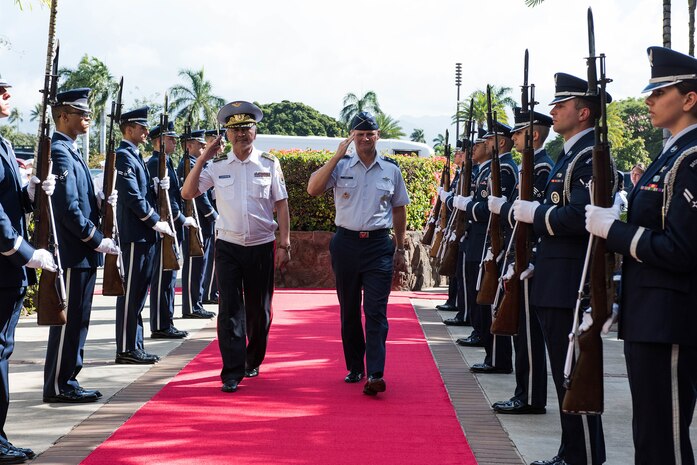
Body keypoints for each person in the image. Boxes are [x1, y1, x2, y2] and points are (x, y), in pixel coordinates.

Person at [585, 46, 697, 465]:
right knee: (649, 434)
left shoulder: (691, 159)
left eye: (660, 91)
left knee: (664, 436)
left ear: (689, 99)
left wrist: (614, 230)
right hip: (648, 312)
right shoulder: (669, 154)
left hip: (669, 316)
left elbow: (681, 250)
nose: (649, 99)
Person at [513, 72, 607, 465]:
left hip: (571, 278)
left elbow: (581, 215)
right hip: (554, 273)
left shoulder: (588, 157)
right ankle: (572, 452)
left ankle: (582, 455)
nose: (552, 111)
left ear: (583, 112)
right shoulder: (572, 154)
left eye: (561, 105)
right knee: (562, 372)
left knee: (573, 372)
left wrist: (538, 214)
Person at [181, 101, 290, 394]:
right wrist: (203, 157)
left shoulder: (269, 163)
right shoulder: (217, 167)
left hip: (261, 245)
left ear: (255, 131)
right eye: (235, 130)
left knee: (260, 311)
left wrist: (285, 242)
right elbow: (188, 192)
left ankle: (252, 359)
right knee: (229, 308)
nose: (242, 134)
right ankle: (231, 371)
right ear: (226, 135)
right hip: (228, 245)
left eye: (246, 128)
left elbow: (281, 203)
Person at [306, 111, 410, 396]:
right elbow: (313, 189)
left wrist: (400, 248)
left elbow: (399, 209)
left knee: (375, 311)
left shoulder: (391, 169)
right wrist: (336, 156)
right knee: (349, 309)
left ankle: (376, 372)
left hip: (378, 245)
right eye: (359, 134)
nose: (365, 139)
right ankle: (355, 366)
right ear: (352, 137)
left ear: (378, 136)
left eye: (370, 134)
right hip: (346, 244)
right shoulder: (341, 166)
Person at [42, 88, 119, 404]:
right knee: (69, 319)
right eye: (80, 112)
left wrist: (100, 201)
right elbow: (68, 209)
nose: (87, 117)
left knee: (79, 319)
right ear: (62, 115)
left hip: (81, 253)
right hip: (73, 252)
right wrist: (98, 239)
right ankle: (60, 384)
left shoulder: (71, 151)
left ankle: (68, 378)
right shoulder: (60, 152)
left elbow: (81, 202)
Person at [0, 74, 56, 463]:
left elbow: (6, 201)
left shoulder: (2, 142)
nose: (6, 94)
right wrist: (22, 250)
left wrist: (30, 192)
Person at [487, 108, 553, 414]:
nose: (513, 138)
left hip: (529, 256)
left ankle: (529, 396)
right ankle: (524, 392)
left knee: (528, 332)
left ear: (534, 135)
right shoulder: (535, 165)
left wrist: (527, 257)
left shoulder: (541, 167)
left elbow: (530, 213)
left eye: (518, 133)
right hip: (519, 253)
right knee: (521, 329)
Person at [452, 121, 516, 374]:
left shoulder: (506, 169)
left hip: (491, 241)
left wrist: (467, 206)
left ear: (500, 143)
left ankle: (497, 357)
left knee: (492, 302)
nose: (482, 145)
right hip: (480, 238)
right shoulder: (491, 168)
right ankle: (490, 351)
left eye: (488, 140)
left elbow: (492, 209)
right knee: (482, 296)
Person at [114, 106, 174, 364]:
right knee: (131, 294)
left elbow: (143, 192)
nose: (147, 131)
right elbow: (131, 197)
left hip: (144, 235)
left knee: (139, 293)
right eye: (142, 127)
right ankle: (127, 348)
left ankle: (134, 344)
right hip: (135, 235)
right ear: (129, 129)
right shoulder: (124, 156)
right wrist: (154, 221)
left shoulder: (135, 155)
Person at [146, 122, 193, 339]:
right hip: (163, 226)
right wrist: (180, 219)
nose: (175, 142)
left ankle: (166, 321)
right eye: (171, 138)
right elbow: (165, 200)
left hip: (170, 225)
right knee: (162, 278)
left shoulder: (168, 163)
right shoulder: (156, 163)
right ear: (159, 141)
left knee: (170, 277)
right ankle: (159, 324)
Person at [177, 130, 216, 320]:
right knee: (194, 264)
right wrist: (212, 215)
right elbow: (198, 195)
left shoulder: (197, 165)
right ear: (189, 146)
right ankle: (192, 306)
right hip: (197, 221)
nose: (203, 148)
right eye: (200, 145)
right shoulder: (188, 166)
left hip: (204, 222)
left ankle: (197, 302)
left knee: (201, 264)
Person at [201, 129, 223, 305]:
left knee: (213, 260)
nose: (220, 147)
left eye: (222, 144)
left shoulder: (222, 163)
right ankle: (209, 293)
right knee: (209, 261)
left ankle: (211, 292)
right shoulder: (207, 164)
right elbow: (200, 194)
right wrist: (213, 215)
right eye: (216, 143)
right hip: (208, 219)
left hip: (218, 218)